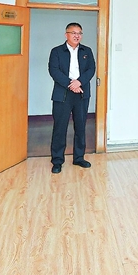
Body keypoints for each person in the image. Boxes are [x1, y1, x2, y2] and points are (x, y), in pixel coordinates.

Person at [48, 22, 96, 174]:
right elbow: (54, 71)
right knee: (60, 127)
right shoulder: (57, 51)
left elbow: (91, 69)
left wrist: (79, 82)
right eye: (73, 33)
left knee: (81, 126)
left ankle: (79, 158)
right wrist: (71, 84)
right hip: (63, 94)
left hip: (81, 92)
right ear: (66, 35)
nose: (77, 36)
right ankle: (57, 161)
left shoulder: (86, 51)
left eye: (79, 33)